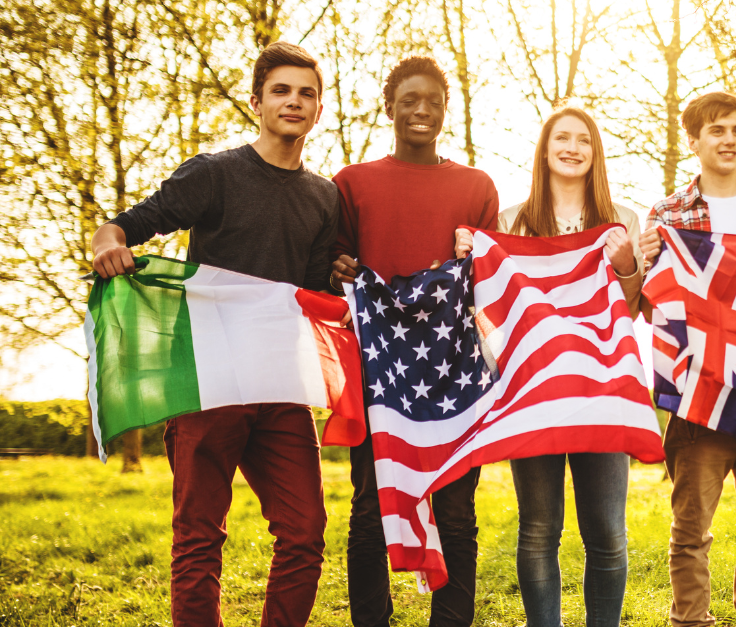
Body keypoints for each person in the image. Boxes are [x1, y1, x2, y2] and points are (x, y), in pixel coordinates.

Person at [89, 42, 337, 627]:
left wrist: (341, 275)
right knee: (199, 536)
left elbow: (310, 288)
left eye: (306, 93)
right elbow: (130, 222)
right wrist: (107, 243)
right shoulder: (214, 173)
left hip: (281, 384)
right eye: (280, 91)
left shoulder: (324, 197)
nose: (293, 102)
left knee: (304, 533)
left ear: (319, 108)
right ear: (257, 102)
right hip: (208, 380)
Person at [453, 106, 641, 627]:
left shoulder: (624, 220)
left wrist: (625, 264)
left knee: (606, 528)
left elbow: (631, 310)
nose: (573, 147)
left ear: (595, 152)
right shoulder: (511, 222)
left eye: (584, 139)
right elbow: (490, 307)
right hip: (531, 391)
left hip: (603, 389)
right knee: (539, 527)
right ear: (545, 148)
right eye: (563, 137)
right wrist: (473, 257)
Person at [329, 55, 499, 627]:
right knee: (370, 508)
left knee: (456, 513)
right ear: (389, 108)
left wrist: (474, 261)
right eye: (409, 101)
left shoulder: (476, 187)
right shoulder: (351, 184)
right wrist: (337, 269)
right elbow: (333, 266)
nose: (421, 111)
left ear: (446, 110)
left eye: (433, 101)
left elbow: (495, 280)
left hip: (454, 372)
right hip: (380, 372)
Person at [638, 91, 736, 627]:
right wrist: (642, 266)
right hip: (698, 390)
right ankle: (690, 620)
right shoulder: (666, 214)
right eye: (716, 131)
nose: (728, 140)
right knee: (691, 530)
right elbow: (647, 304)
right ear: (694, 141)